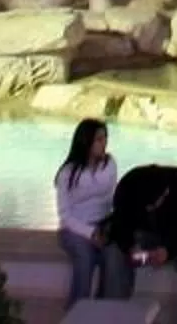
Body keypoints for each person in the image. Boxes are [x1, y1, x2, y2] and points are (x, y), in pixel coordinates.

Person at [102, 160, 177, 324]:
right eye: (144, 206)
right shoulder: (128, 185)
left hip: (176, 238)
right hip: (140, 235)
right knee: (113, 254)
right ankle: (114, 317)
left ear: (165, 193)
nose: (148, 209)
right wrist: (129, 247)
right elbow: (119, 225)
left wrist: (169, 250)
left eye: (152, 205)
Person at [52, 118, 119, 302]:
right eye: (99, 139)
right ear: (86, 141)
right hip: (73, 229)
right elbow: (65, 215)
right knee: (85, 257)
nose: (104, 143)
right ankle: (77, 308)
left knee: (113, 256)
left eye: (105, 138)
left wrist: (105, 230)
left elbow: (112, 200)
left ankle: (102, 305)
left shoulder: (110, 165)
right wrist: (90, 233)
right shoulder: (67, 173)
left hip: (103, 224)